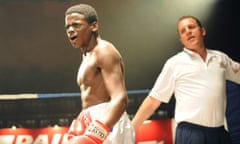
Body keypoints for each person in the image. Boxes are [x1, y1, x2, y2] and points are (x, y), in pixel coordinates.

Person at [132, 15, 240, 144]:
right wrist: (130, 129)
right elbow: (153, 100)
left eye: (191, 27)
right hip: (191, 134)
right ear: (181, 40)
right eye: (183, 31)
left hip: (220, 134)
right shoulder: (175, 63)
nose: (188, 31)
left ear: (202, 31)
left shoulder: (221, 58)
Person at [64, 4, 134, 144]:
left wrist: (97, 132)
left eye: (76, 25)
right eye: (68, 27)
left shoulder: (104, 51)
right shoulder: (87, 56)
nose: (71, 30)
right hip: (95, 118)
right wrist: (82, 118)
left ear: (93, 26)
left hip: (110, 119)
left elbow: (120, 98)